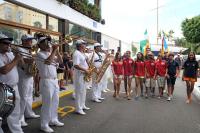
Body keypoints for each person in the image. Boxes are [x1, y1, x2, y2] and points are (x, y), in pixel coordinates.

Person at [36, 36, 64, 133]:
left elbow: (60, 62)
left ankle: (53, 119)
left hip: (54, 80)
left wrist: (57, 50)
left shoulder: (50, 52)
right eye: (44, 42)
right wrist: (54, 50)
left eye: (48, 41)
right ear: (39, 45)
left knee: (55, 101)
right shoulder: (39, 54)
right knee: (47, 104)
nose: (47, 43)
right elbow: (48, 62)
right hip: (46, 81)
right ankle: (44, 125)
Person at [0, 33, 24, 133]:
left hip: (14, 87)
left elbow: (22, 65)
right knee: (1, 113)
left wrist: (20, 56)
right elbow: (4, 70)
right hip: (4, 89)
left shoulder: (10, 53)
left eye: (9, 43)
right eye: (5, 43)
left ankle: (17, 131)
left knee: (15, 112)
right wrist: (16, 59)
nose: (8, 45)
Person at [17, 34, 40, 127]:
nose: (31, 42)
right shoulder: (19, 49)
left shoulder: (29, 49)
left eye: (31, 41)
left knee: (30, 95)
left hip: (30, 75)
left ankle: (28, 113)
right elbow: (21, 60)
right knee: (22, 97)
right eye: (29, 41)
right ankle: (20, 118)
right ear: (24, 41)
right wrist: (31, 59)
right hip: (22, 76)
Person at [73, 39, 90, 115]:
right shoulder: (76, 53)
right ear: (80, 45)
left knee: (83, 91)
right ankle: (78, 108)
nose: (85, 46)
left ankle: (82, 105)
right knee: (79, 92)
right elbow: (76, 65)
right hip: (79, 75)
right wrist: (85, 70)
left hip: (84, 74)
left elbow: (84, 62)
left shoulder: (81, 53)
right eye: (84, 44)